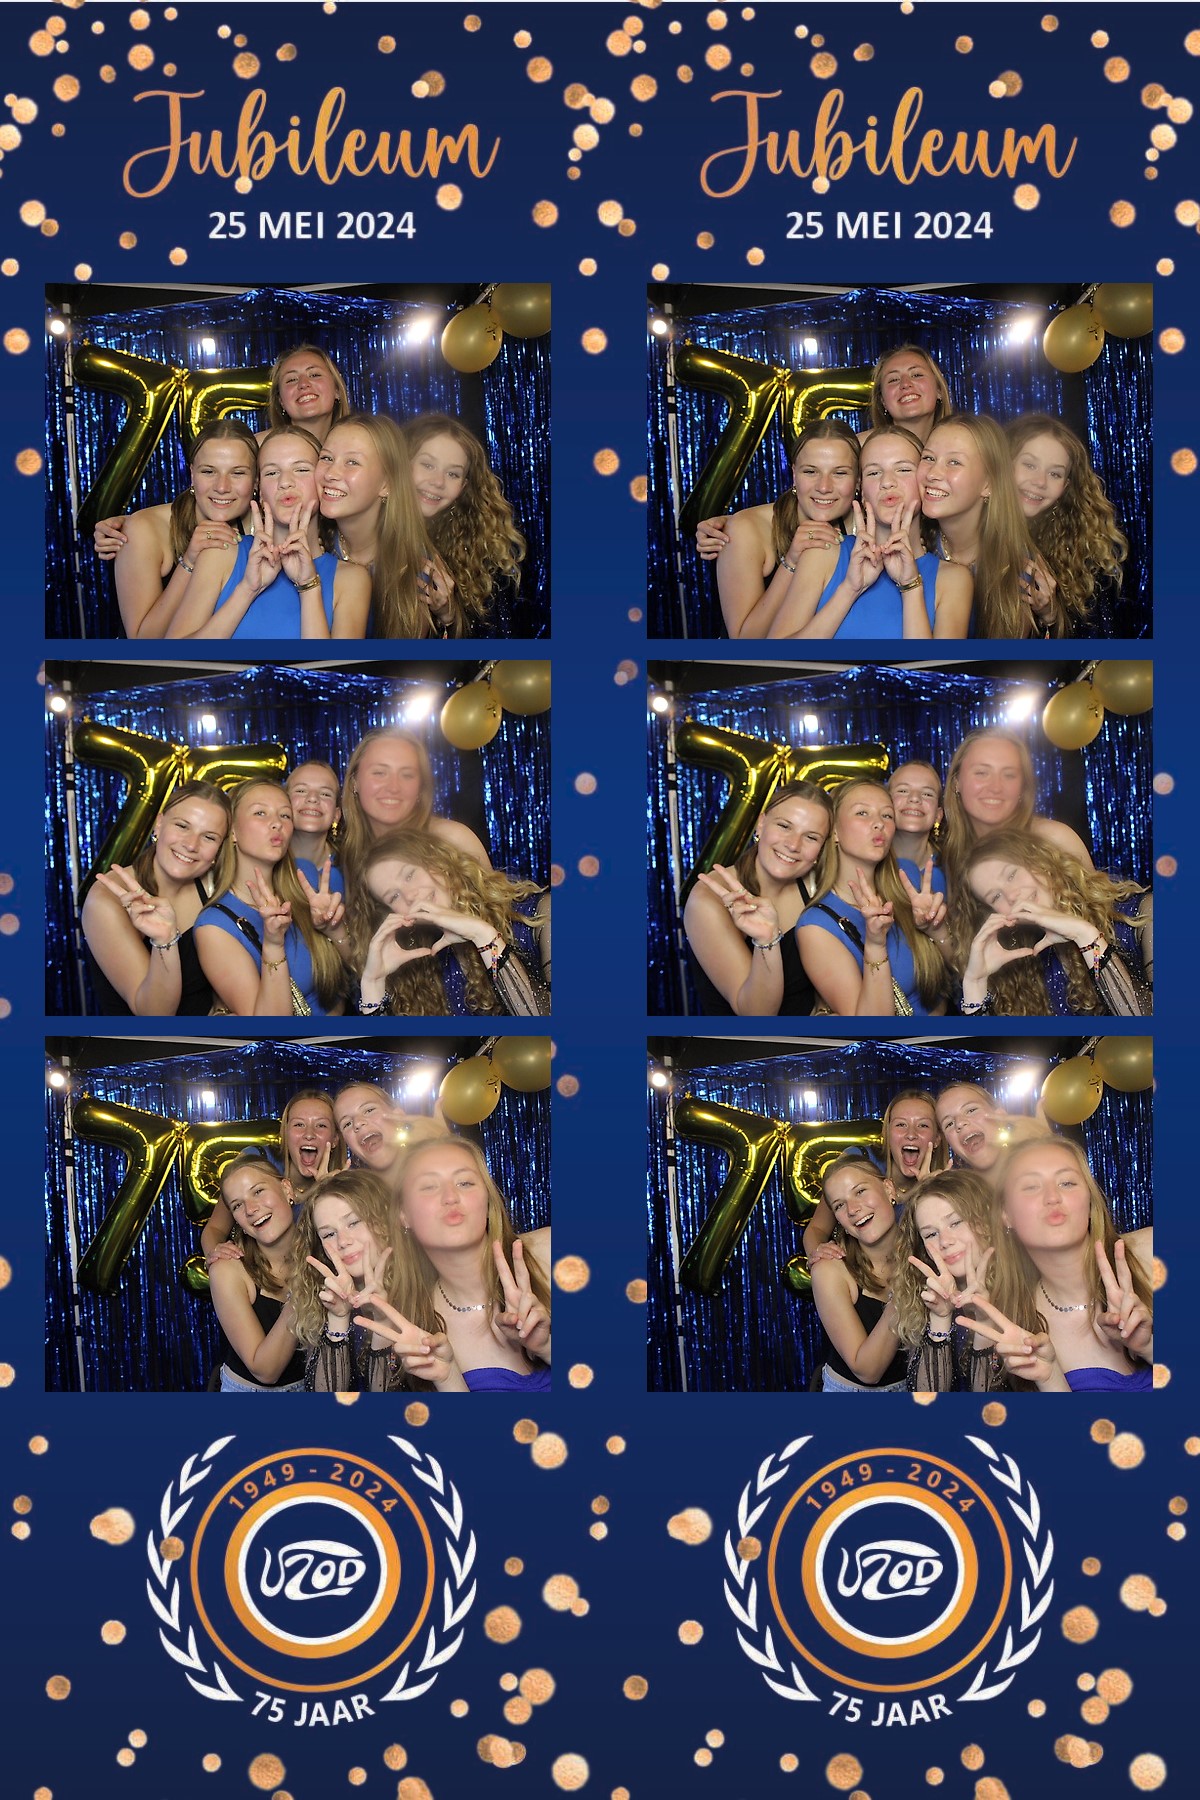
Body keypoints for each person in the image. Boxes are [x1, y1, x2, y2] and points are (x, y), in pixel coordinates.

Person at [963, 1136, 1153, 1392]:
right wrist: (1050, 1378)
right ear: (1006, 1215)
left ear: (1089, 1202)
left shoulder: (1151, 1252)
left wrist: (1149, 1347)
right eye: (1031, 1186)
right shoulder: (1015, 1324)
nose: (1053, 1197)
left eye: (1067, 1183)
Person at [364, 1136, 552, 1393]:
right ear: (403, 1215)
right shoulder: (413, 1324)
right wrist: (448, 1378)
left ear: (487, 1201)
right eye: (429, 1186)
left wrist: (547, 1347)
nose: (451, 1197)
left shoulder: (550, 1252)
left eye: (465, 1182)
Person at [758, 429, 973, 639]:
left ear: (924, 481)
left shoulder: (954, 580)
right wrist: (850, 589)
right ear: (861, 489)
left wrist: (910, 586)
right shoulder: (822, 553)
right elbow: (776, 657)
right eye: (873, 472)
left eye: (903, 469)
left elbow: (933, 664)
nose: (887, 482)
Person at [165, 429, 371, 639]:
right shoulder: (220, 553)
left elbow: (331, 663)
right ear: (260, 489)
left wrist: (308, 587)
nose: (285, 482)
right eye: (272, 473)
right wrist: (247, 589)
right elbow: (173, 655)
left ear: (322, 482)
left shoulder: (352, 580)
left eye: (301, 469)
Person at [352, 829, 550, 1017]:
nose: (410, 896)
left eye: (410, 875)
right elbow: (396, 1042)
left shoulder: (542, 912)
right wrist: (373, 983)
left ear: (437, 862)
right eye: (394, 896)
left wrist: (483, 936)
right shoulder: (426, 959)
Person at [954, 828, 1150, 1015]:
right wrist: (975, 983)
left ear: (1039, 861)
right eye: (996, 896)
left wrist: (1085, 936)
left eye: (1012, 875)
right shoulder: (1027, 960)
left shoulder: (1143, 912)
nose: (1011, 896)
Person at [93, 419, 259, 638]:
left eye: (237, 473)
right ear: (192, 474)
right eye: (208, 471)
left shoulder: (266, 527)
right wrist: (189, 562)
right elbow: (143, 640)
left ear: (256, 479)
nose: (222, 487)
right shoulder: (145, 530)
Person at [80, 780, 232, 1016]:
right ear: (159, 824)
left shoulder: (215, 888)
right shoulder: (106, 900)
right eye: (182, 826)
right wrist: (165, 941)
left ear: (219, 848)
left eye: (209, 837)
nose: (191, 845)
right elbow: (154, 1015)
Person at [195, 780, 347, 1015]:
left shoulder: (306, 875)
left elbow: (359, 972)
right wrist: (274, 945)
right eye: (260, 813)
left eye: (285, 815)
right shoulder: (214, 926)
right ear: (232, 830)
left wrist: (334, 930)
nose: (277, 823)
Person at [796, 781, 948, 1015]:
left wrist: (936, 930)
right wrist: (876, 945)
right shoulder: (816, 926)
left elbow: (960, 974)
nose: (879, 823)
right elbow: (872, 1029)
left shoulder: (908, 877)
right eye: (862, 813)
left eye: (887, 815)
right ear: (834, 831)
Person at [682, 780, 834, 1015]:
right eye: (784, 826)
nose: (793, 845)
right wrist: (766, 941)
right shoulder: (708, 900)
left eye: (811, 837)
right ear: (761, 824)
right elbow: (756, 1015)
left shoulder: (817, 889)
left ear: (822, 848)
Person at [708, 420, 860, 638]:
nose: (824, 487)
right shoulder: (747, 529)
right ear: (794, 474)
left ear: (858, 480)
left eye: (840, 473)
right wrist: (791, 562)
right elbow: (744, 640)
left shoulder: (868, 528)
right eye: (811, 471)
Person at [919, 414, 1064, 638]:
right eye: (928, 458)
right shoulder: (914, 545)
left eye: (954, 462)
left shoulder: (1016, 566)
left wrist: (1049, 617)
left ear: (988, 484)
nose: (932, 473)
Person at [317, 413, 448, 638]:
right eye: (327, 458)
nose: (330, 473)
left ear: (386, 484)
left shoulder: (414, 566)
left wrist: (447, 617)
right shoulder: (312, 544)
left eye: (352, 462)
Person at [200, 1088, 350, 1271]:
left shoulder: (342, 1183)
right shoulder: (255, 1163)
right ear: (285, 1134)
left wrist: (327, 1190)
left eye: (321, 1126)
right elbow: (214, 1229)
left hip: (308, 1280)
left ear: (335, 1139)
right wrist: (216, 1256)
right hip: (258, 1275)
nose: (309, 1134)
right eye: (299, 1125)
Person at [404, 413, 526, 634]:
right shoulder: (366, 531)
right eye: (428, 465)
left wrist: (447, 615)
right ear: (402, 463)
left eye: (453, 474)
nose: (438, 482)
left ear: (463, 487)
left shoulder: (457, 546)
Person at [801, 1087, 948, 1270]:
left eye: (923, 1125)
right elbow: (817, 1229)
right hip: (859, 1274)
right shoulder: (857, 1163)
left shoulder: (944, 1185)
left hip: (909, 1279)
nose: (911, 1134)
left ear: (937, 1138)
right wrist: (819, 1256)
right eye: (901, 1125)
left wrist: (928, 1192)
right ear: (887, 1133)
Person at [1006, 413, 1128, 633]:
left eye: (1055, 474)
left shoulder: (1067, 547)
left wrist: (1049, 615)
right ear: (1004, 464)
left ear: (1065, 487)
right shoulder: (968, 530)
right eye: (1030, 465)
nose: (1040, 482)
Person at [291, 1170, 410, 1393]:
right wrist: (338, 1318)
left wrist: (382, 1319)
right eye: (329, 1234)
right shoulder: (323, 1299)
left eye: (354, 1222)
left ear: (384, 1221)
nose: (343, 1241)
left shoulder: (421, 1291)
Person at [939, 728, 1094, 899]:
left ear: (1022, 787)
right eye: (981, 773)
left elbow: (1100, 911)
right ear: (956, 782)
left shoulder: (1055, 839)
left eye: (1009, 775)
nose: (995, 787)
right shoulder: (950, 855)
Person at [337, 727, 492, 898]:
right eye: (380, 773)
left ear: (420, 787)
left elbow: (496, 911)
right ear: (354, 782)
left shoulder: (453, 839)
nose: (393, 787)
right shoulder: (346, 856)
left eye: (407, 775)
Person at [893, 1169, 1002, 1392]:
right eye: (931, 1234)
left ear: (985, 1222)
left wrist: (984, 1319)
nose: (945, 1241)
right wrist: (940, 1317)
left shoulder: (1024, 1289)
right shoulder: (923, 1300)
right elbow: (926, 1402)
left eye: (956, 1222)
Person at [207, 1152, 306, 1392]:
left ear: (287, 1189)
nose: (251, 1209)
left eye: (258, 1191)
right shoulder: (227, 1269)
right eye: (237, 1205)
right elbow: (265, 1371)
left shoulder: (322, 1248)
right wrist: (305, 1288)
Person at [810, 1155, 907, 1392]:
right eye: (839, 1205)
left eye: (860, 1191)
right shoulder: (829, 1270)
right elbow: (867, 1371)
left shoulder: (923, 1248)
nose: (853, 1209)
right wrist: (907, 1288)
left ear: (888, 1189)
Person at [333, 1082, 449, 1193]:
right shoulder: (355, 1202)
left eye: (369, 1110)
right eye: (347, 1124)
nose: (357, 1123)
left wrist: (447, 1143)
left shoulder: (441, 1173)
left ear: (398, 1115)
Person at [934, 1081, 1047, 1180]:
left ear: (1001, 1116)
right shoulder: (956, 1197)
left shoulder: (1043, 1167)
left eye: (971, 1110)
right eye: (949, 1124)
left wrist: (1048, 1144)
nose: (959, 1123)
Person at [264, 342, 350, 444]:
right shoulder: (258, 448)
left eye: (314, 375)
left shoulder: (362, 445)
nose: (303, 384)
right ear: (281, 401)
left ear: (337, 390)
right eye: (292, 380)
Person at [867, 343, 954, 441]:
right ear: (883, 401)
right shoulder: (861, 447)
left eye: (916, 375)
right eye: (894, 380)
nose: (905, 384)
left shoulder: (964, 444)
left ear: (939, 389)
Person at [286, 760, 343, 883]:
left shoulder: (353, 868)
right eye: (301, 791)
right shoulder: (264, 861)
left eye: (325, 794)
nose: (312, 798)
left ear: (336, 815)